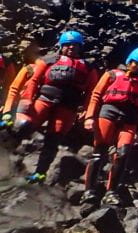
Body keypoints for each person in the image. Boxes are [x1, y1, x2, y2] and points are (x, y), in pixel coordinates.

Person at [8, 30, 98, 184]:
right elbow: (34, 80)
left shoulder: (89, 68)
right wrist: (28, 99)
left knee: (53, 140)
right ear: (61, 45)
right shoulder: (48, 60)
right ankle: (8, 161)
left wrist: (87, 112)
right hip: (44, 100)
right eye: (68, 44)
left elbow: (92, 92)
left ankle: (39, 174)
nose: (71, 47)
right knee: (23, 129)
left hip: (67, 108)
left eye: (75, 45)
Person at [81, 46, 138, 205]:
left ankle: (111, 192)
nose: (136, 66)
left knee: (123, 154)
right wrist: (90, 117)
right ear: (130, 60)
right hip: (108, 113)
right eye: (135, 62)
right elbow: (96, 95)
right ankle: (88, 191)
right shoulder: (112, 74)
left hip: (129, 120)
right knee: (99, 152)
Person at [0, 42, 42, 130]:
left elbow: (10, 87)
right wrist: (6, 109)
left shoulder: (30, 68)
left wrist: (6, 108)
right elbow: (13, 88)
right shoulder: (28, 68)